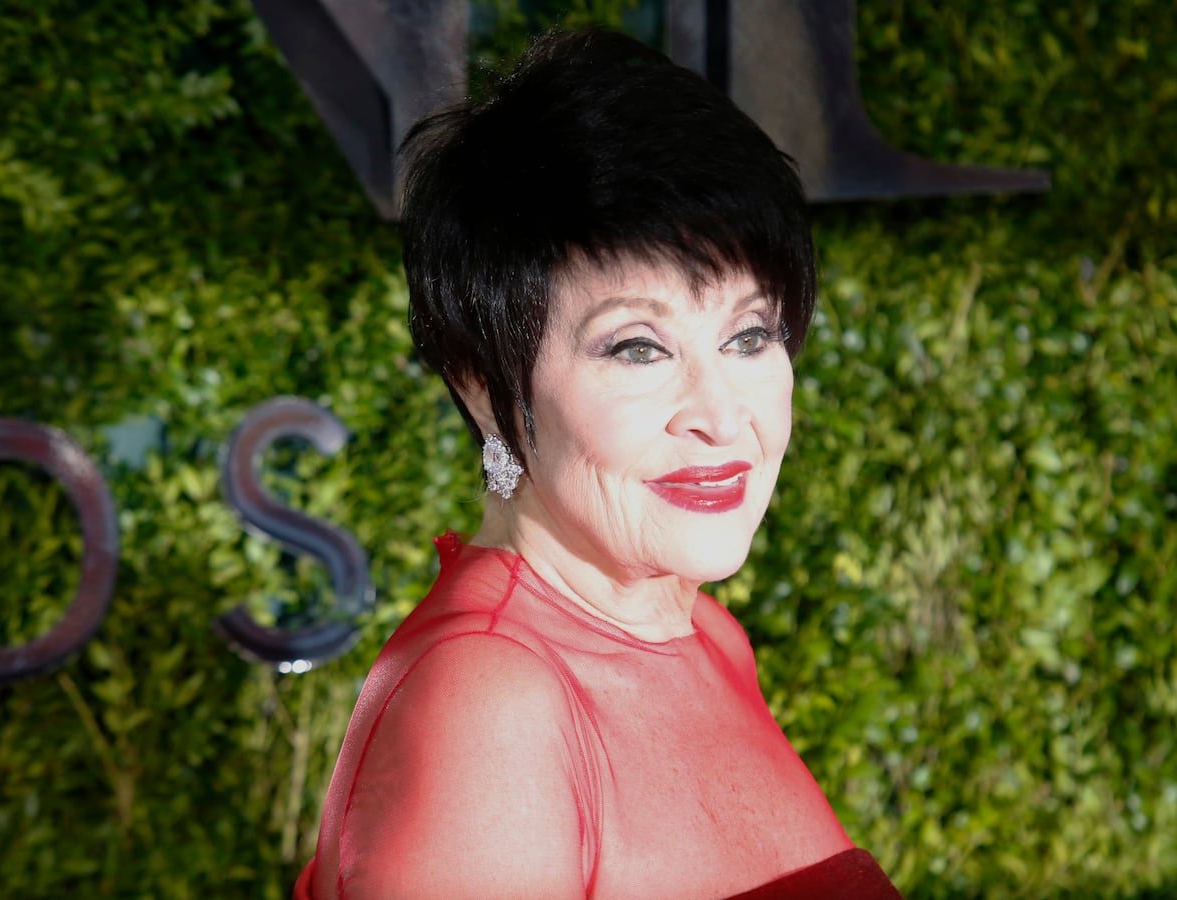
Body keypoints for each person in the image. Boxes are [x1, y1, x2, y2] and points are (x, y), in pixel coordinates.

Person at [294, 27, 900, 899]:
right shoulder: (488, 705)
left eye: (750, 334)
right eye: (637, 348)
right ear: (481, 384)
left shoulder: (704, 632)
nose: (721, 415)